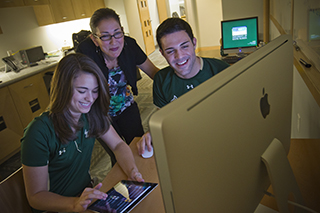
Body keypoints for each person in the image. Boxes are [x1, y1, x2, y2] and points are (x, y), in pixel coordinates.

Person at [21, 53, 144, 213]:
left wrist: (132, 171)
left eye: (95, 90)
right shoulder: (38, 132)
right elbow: (36, 197)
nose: (90, 98)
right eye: (82, 91)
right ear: (63, 88)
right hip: (60, 206)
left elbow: (118, 144)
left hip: (86, 196)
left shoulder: (91, 114)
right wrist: (74, 204)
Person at [76, 8, 159, 165]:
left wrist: (178, 84)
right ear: (95, 39)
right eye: (105, 36)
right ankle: (126, 187)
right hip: (99, 114)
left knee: (140, 148)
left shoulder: (129, 45)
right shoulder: (85, 52)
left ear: (122, 31)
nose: (114, 42)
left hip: (126, 106)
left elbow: (154, 72)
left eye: (117, 33)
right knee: (118, 156)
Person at [137, 18, 230, 155]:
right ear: (162, 53)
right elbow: (163, 117)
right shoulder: (161, 80)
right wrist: (153, 132)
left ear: (194, 43)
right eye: (170, 51)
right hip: (184, 144)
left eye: (184, 46)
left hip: (220, 140)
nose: (179, 56)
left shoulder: (222, 71)